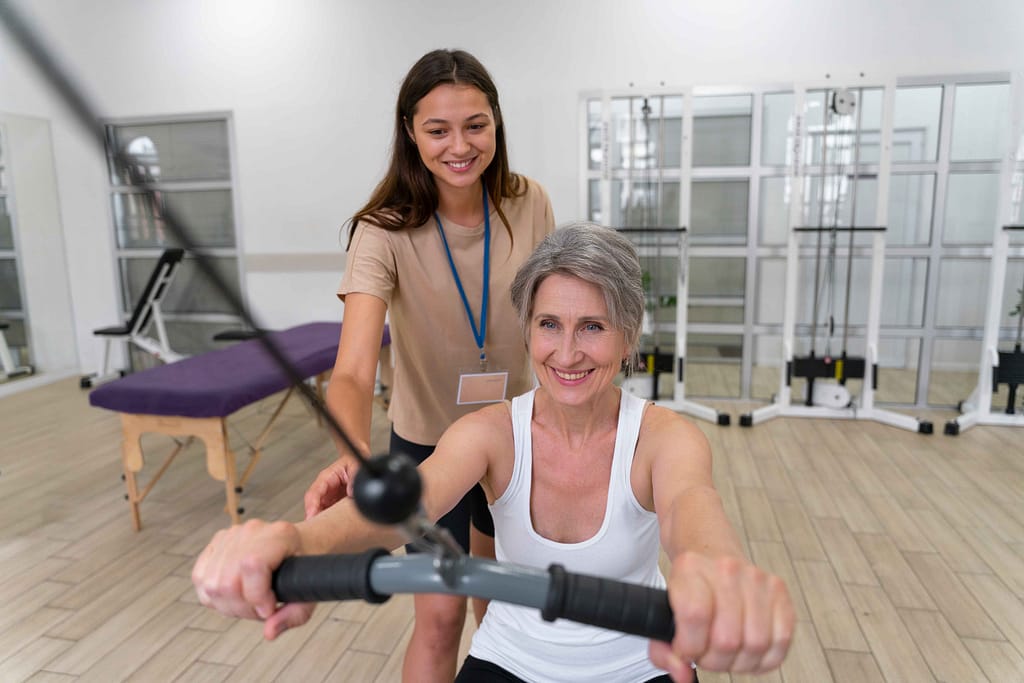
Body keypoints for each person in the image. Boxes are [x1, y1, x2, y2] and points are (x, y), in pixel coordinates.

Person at [193, 222, 796, 683]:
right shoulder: (489, 433)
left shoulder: (665, 437)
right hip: (509, 661)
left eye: (592, 326)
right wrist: (295, 541)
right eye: (549, 324)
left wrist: (719, 575)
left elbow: (694, 514)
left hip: (639, 666)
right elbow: (409, 505)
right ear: (527, 330)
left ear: (628, 336)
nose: (567, 352)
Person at [301, 48, 555, 682]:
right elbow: (353, 370)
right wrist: (353, 451)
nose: (459, 146)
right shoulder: (382, 230)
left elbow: (553, 315)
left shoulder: (529, 202)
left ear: (496, 122)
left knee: (498, 610)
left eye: (475, 125)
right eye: (438, 129)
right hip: (426, 448)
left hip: (513, 440)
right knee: (439, 619)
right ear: (410, 132)